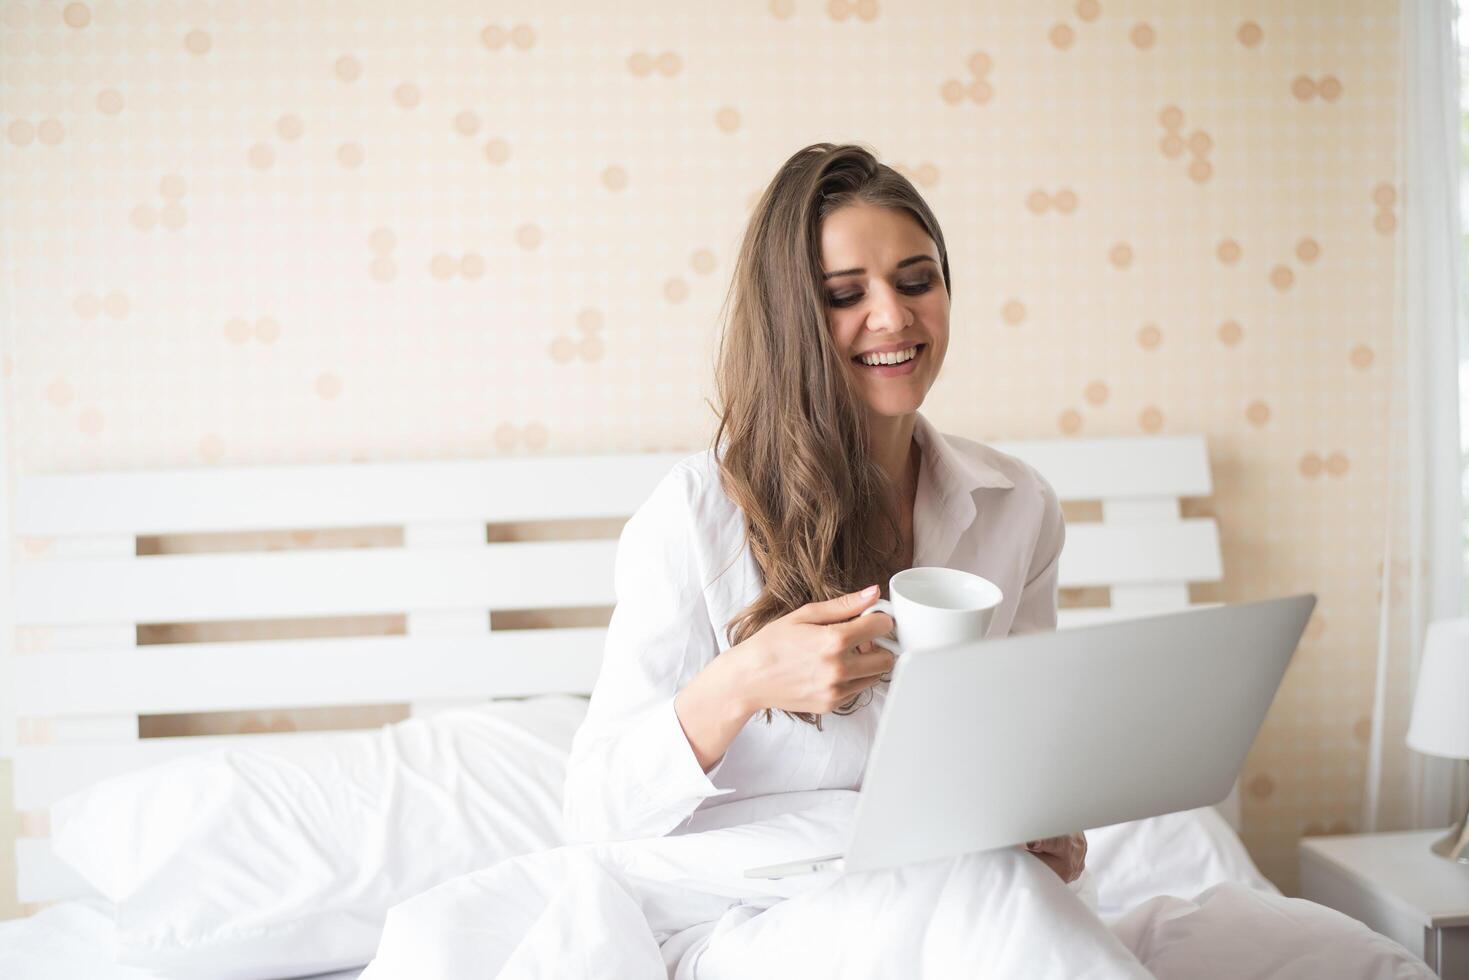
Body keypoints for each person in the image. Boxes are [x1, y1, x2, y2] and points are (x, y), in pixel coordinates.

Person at [560, 140, 1086, 885]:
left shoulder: (1017, 506)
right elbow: (592, 814)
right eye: (845, 295)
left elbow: (1021, 745)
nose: (892, 316)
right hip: (762, 908)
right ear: (790, 319)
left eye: (916, 280)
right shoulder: (694, 516)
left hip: (955, 879)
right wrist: (740, 682)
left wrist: (1048, 823)